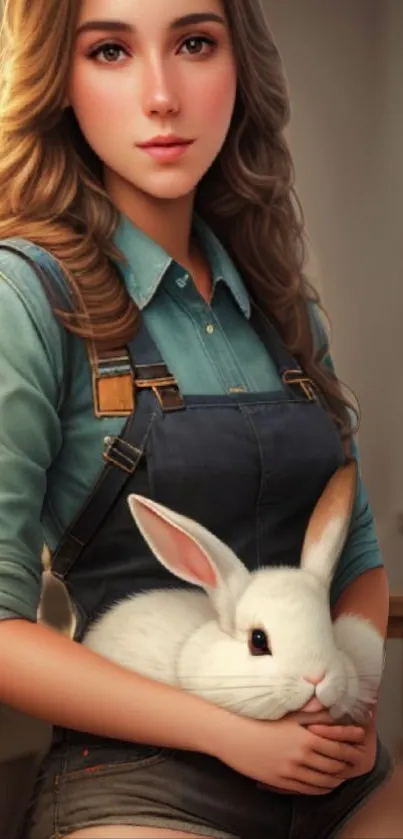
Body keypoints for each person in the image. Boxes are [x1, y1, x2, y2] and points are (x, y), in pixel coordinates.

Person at [0, 0, 399, 837]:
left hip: (336, 770)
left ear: (238, 65)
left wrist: (353, 707)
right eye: (109, 51)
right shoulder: (22, 300)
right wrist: (230, 733)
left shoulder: (281, 304)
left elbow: (354, 555)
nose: (161, 94)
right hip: (144, 778)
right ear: (59, 82)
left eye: (193, 43)